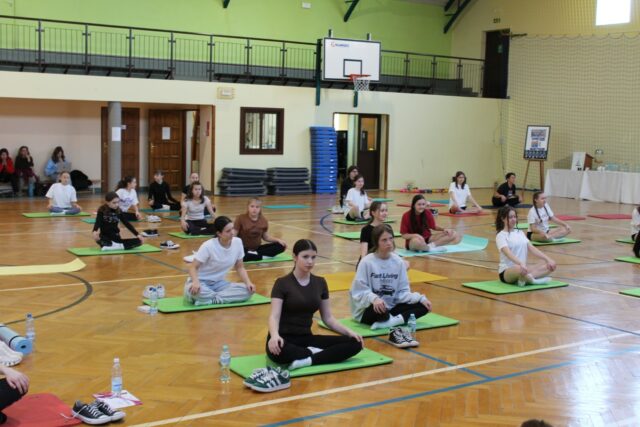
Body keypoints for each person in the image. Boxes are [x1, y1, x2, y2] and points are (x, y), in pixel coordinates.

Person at [267, 239, 363, 372]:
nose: (310, 261)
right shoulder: (282, 283)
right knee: (280, 353)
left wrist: (349, 332)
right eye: (305, 257)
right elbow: (274, 316)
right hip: (283, 339)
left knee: (356, 344)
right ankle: (316, 353)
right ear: (294, 257)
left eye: (313, 257)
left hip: (306, 338)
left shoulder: (320, 282)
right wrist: (274, 336)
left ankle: (308, 359)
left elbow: (328, 318)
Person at [351, 224, 432, 348]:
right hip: (370, 308)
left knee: (424, 306)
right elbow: (358, 291)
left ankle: (390, 322)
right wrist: (374, 299)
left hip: (391, 307)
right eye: (384, 240)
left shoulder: (398, 262)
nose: (389, 243)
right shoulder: (366, 262)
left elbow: (403, 292)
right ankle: (392, 320)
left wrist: (420, 298)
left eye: (390, 238)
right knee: (381, 312)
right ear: (376, 242)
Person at [183, 216, 255, 306]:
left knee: (247, 291)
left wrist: (248, 282)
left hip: (219, 284)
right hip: (200, 282)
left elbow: (240, 267)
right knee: (196, 291)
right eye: (228, 231)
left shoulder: (238, 242)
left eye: (232, 229)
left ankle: (210, 300)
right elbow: (193, 267)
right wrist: (195, 282)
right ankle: (214, 298)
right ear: (219, 233)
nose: (232, 233)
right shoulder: (208, 245)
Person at [496, 205, 556, 286]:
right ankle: (533, 281)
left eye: (514, 217)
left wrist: (548, 259)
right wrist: (520, 263)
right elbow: (508, 254)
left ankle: (524, 279)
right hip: (507, 271)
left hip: (523, 268)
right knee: (518, 269)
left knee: (549, 266)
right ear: (503, 219)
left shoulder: (520, 233)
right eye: (510, 217)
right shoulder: (501, 235)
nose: (513, 219)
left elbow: (532, 248)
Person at [234, 198, 287, 262]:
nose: (254, 209)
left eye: (257, 207)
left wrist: (278, 240)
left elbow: (266, 237)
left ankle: (254, 255)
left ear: (260, 209)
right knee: (240, 256)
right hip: (243, 248)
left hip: (257, 249)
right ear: (248, 207)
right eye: (252, 206)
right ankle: (261, 256)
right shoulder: (240, 218)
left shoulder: (263, 220)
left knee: (281, 246)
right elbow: (234, 235)